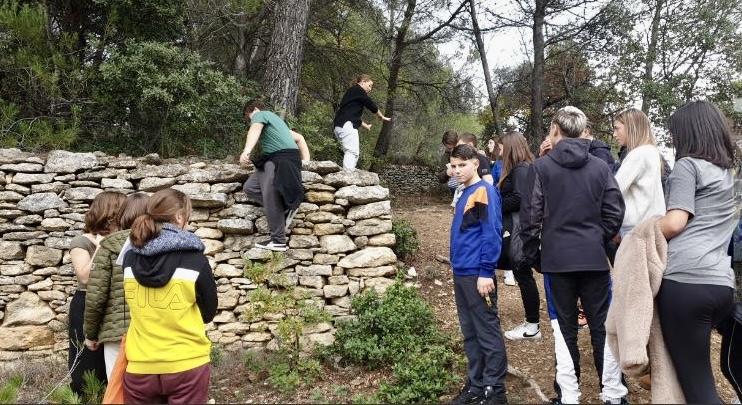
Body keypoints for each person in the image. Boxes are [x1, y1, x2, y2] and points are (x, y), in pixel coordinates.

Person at [518, 106, 628, 404]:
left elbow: (530, 218)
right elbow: (615, 210)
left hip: (557, 259)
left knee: (562, 326)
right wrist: (599, 238)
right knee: (601, 325)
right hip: (593, 259)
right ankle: (614, 395)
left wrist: (535, 255)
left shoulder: (541, 168)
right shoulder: (600, 167)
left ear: (557, 130)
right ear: (582, 132)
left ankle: (568, 396)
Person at [657, 100, 737, 403]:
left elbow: (675, 223)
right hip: (721, 286)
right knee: (700, 380)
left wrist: (641, 234)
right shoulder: (726, 176)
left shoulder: (687, 166)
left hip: (686, 283)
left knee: (697, 388)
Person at [122, 188, 218, 404]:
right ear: (179, 217)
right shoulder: (195, 260)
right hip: (186, 364)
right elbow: (209, 311)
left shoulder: (129, 259)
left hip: (140, 364)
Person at [448, 144, 508, 405]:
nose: (457, 170)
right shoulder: (464, 192)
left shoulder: (484, 191)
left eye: (462, 165)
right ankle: (476, 384)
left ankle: (495, 391)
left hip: (477, 275)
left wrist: (486, 271)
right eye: (453, 165)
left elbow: (492, 233)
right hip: (461, 272)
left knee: (487, 332)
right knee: (470, 332)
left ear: (475, 163)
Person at [84, 193, 150, 379]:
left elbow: (96, 296)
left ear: (122, 216)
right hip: (153, 329)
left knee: (117, 388)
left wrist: (91, 334)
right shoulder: (162, 244)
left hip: (116, 333)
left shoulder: (108, 246)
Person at [69, 191, 126, 395]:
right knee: (87, 362)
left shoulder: (123, 240)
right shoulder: (81, 241)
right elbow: (85, 277)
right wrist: (103, 247)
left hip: (114, 304)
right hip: (87, 304)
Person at [240, 100, 310, 252]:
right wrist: (306, 160)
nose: (250, 121)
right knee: (250, 188)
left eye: (248, 117)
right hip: (275, 159)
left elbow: (255, 129)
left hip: (280, 159)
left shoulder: (262, 115)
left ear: (254, 110)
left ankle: (278, 241)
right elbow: (300, 138)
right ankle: (284, 209)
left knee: (270, 195)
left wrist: (246, 151)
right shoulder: (279, 124)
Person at [497, 132, 541, 341]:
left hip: (520, 230)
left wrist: (494, 206)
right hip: (518, 229)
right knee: (523, 273)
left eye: (502, 147)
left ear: (510, 148)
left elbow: (520, 198)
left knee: (523, 274)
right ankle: (532, 324)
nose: (499, 151)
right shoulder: (518, 168)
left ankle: (532, 326)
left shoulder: (521, 169)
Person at [612, 108, 666, 236]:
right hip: (651, 225)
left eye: (617, 128)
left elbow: (614, 190)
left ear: (631, 127)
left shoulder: (638, 154)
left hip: (636, 229)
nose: (614, 134)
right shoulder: (652, 152)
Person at [333, 74, 391, 169]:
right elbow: (370, 104)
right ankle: (348, 176)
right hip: (346, 125)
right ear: (363, 82)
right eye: (369, 85)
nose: (370, 89)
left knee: (352, 152)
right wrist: (381, 116)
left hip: (339, 126)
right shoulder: (358, 90)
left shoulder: (352, 93)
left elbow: (351, 115)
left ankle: (348, 172)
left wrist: (365, 125)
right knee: (352, 152)